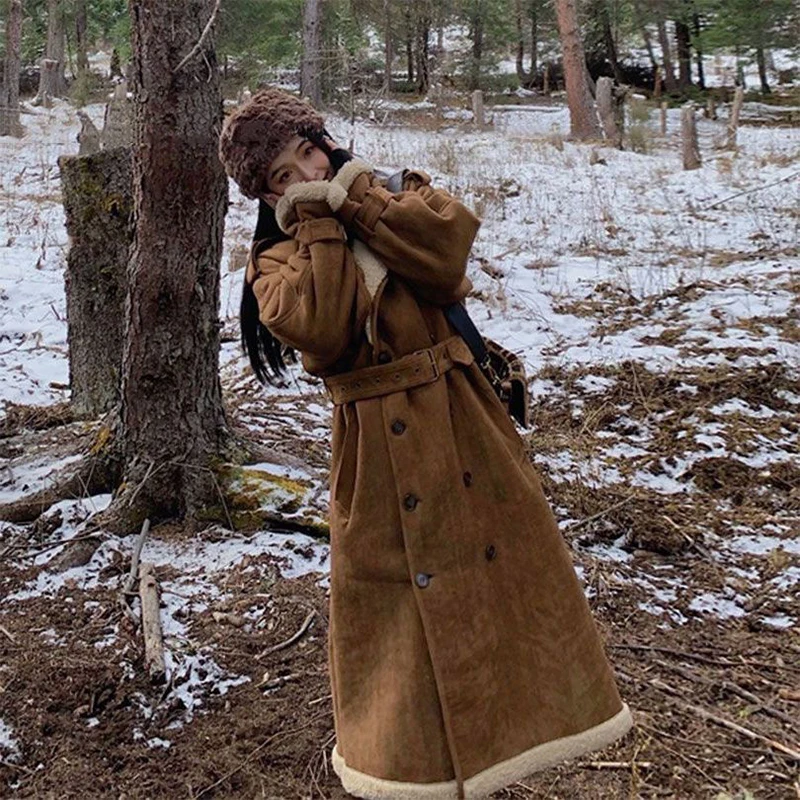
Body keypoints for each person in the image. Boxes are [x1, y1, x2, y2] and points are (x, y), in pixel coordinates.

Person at [218, 88, 632, 800]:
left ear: (326, 140)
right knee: (399, 620)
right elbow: (321, 331)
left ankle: (522, 738)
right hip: (376, 451)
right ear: (264, 195)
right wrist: (320, 222)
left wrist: (356, 202)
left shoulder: (402, 195)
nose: (304, 174)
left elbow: (445, 260)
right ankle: (416, 773)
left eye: (307, 153)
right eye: (282, 176)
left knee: (505, 587)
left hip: (463, 424)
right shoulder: (272, 267)